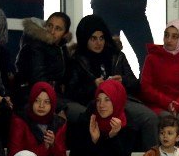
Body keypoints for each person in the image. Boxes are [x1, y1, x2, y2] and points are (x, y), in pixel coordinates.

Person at [66, 14, 156, 149]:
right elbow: (71, 91)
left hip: (120, 101)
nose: (98, 43)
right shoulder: (77, 59)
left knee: (150, 118)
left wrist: (122, 81)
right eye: (93, 39)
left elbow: (136, 84)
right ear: (85, 39)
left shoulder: (116, 55)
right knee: (88, 118)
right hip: (93, 103)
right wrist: (93, 86)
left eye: (101, 38)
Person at [139, 20, 179, 150]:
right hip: (158, 104)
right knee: (166, 119)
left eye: (174, 36)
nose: (168, 40)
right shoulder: (152, 58)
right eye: (166, 35)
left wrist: (177, 104)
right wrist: (168, 103)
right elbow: (146, 88)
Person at [84, 0, 159, 67]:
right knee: (105, 55)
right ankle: (107, 83)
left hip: (135, 9)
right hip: (106, 8)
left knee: (148, 56)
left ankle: (143, 83)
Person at [68, 79, 139, 156]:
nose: (101, 105)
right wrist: (93, 141)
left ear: (117, 100)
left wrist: (113, 137)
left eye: (107, 100)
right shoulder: (87, 120)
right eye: (98, 100)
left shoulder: (128, 125)